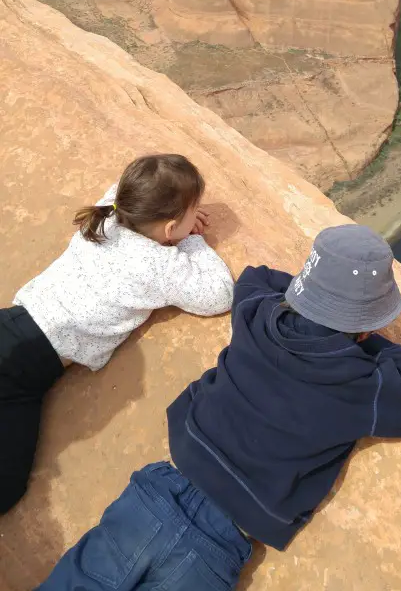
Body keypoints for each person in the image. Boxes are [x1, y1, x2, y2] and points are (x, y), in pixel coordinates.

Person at [37, 225, 401, 591]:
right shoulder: (362, 384)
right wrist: (371, 344)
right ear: (365, 325)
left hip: (161, 488)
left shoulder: (258, 312)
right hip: (222, 538)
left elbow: (258, 276)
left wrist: (314, 301)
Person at [0, 153, 233, 515]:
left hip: (12, 323)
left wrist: (179, 223)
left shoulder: (110, 211)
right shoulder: (159, 264)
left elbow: (121, 188)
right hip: (23, 370)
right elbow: (219, 295)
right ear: (170, 229)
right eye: (193, 212)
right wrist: (190, 240)